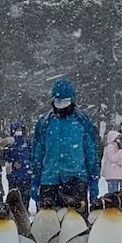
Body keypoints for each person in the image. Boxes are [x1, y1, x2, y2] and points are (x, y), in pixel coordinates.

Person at [30, 79, 100, 211]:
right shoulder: (45, 122)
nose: (61, 106)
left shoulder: (82, 120)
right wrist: (35, 178)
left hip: (76, 179)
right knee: (48, 227)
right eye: (58, 102)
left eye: (65, 102)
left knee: (76, 227)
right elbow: (37, 153)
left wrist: (93, 177)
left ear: (72, 101)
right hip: (49, 180)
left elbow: (91, 151)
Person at [3, 121, 33, 206]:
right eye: (17, 129)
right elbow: (5, 156)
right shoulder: (10, 143)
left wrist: (30, 166)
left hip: (26, 173)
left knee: (26, 194)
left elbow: (32, 155)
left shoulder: (27, 142)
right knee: (13, 194)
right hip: (14, 174)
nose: (19, 131)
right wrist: (13, 161)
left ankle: (25, 209)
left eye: (20, 129)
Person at [100, 130, 122, 195]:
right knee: (113, 193)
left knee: (116, 193)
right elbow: (112, 158)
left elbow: (116, 158)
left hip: (115, 174)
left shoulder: (116, 147)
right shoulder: (110, 147)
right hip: (112, 174)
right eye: (117, 138)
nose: (119, 140)